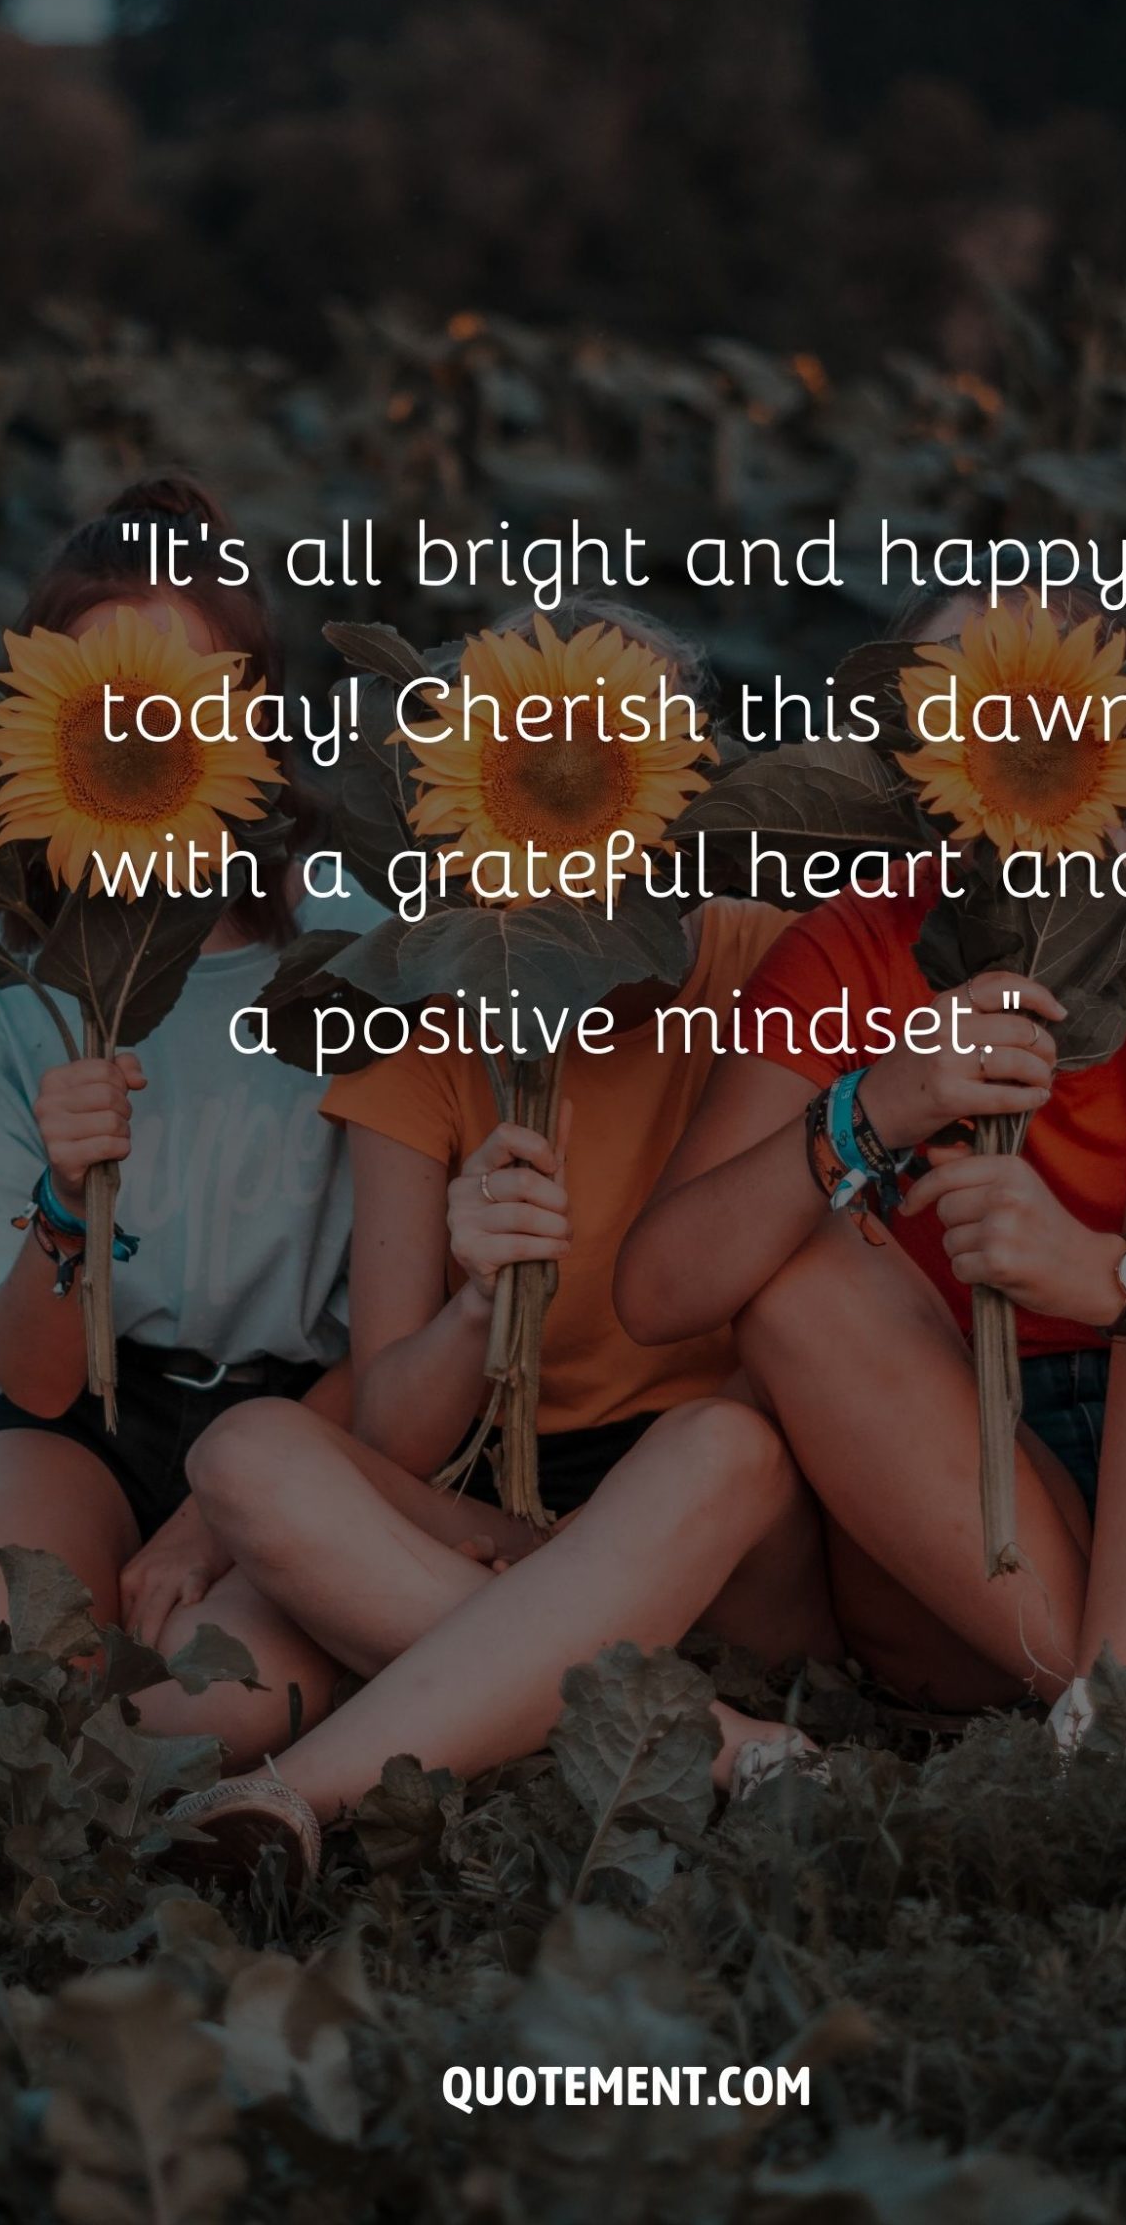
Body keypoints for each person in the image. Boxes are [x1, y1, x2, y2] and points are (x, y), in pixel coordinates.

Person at [613, 587, 1126, 1739]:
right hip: (980, 1511)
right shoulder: (858, 947)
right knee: (794, 1259)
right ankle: (1117, 1709)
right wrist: (876, 1106)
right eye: (947, 720)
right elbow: (662, 1289)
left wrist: (1103, 1275)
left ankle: (1107, 1711)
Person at [166, 606, 838, 1876]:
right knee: (246, 1454)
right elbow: (386, 1431)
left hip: (722, 1531)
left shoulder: (774, 965)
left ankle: (305, 1790)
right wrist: (477, 1310)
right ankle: (725, 1743)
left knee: (722, 1445)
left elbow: (828, 1319)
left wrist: (570, 1558)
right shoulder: (424, 1014)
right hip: (481, 1502)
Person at [0, 476, 385, 1767]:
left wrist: (209, 1522)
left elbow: (398, 1318)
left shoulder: (353, 953)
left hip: (296, 1425)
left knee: (218, 1716)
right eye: (105, 703)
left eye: (186, 700)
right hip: (64, 1425)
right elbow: (34, 1379)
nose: (142, 731)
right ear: (39, 722)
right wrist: (66, 1200)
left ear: (249, 720)